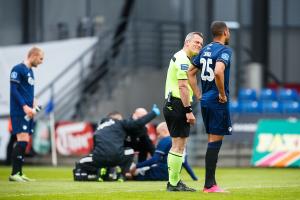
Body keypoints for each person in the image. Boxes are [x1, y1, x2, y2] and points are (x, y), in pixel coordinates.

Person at [188, 21, 232, 193]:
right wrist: (222, 94)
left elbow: (191, 72)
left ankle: (210, 184)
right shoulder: (224, 50)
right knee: (215, 142)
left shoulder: (205, 49)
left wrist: (199, 94)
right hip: (217, 101)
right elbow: (219, 71)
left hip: (206, 100)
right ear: (225, 32)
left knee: (211, 141)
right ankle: (209, 185)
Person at [74, 105, 160, 181]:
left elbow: (148, 144)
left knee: (82, 162)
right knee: (127, 151)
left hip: (101, 156)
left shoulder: (100, 127)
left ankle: (101, 170)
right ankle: (121, 173)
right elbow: (137, 124)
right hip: (117, 155)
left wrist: (155, 156)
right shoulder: (122, 123)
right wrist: (153, 113)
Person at [163, 32, 203, 191]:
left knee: (177, 145)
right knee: (179, 146)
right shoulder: (182, 59)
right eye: (196, 42)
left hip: (173, 104)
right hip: (178, 104)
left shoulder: (182, 58)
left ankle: (174, 182)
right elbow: (182, 86)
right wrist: (188, 110)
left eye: (201, 43)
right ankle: (173, 183)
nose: (199, 45)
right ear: (187, 42)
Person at [9, 47, 44, 182]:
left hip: (28, 112)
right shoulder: (17, 69)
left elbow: (28, 93)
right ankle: (14, 174)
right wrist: (24, 107)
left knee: (25, 141)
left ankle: (19, 172)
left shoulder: (30, 71)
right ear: (34, 55)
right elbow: (14, 90)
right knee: (22, 140)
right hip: (19, 111)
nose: (41, 62)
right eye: (41, 58)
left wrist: (34, 104)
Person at [129, 122, 198, 181]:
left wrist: (136, 166)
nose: (158, 136)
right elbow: (185, 163)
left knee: (134, 173)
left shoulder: (165, 140)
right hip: (173, 175)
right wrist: (194, 178)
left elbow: (155, 160)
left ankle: (123, 175)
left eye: (158, 133)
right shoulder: (180, 142)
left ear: (164, 131)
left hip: (161, 173)